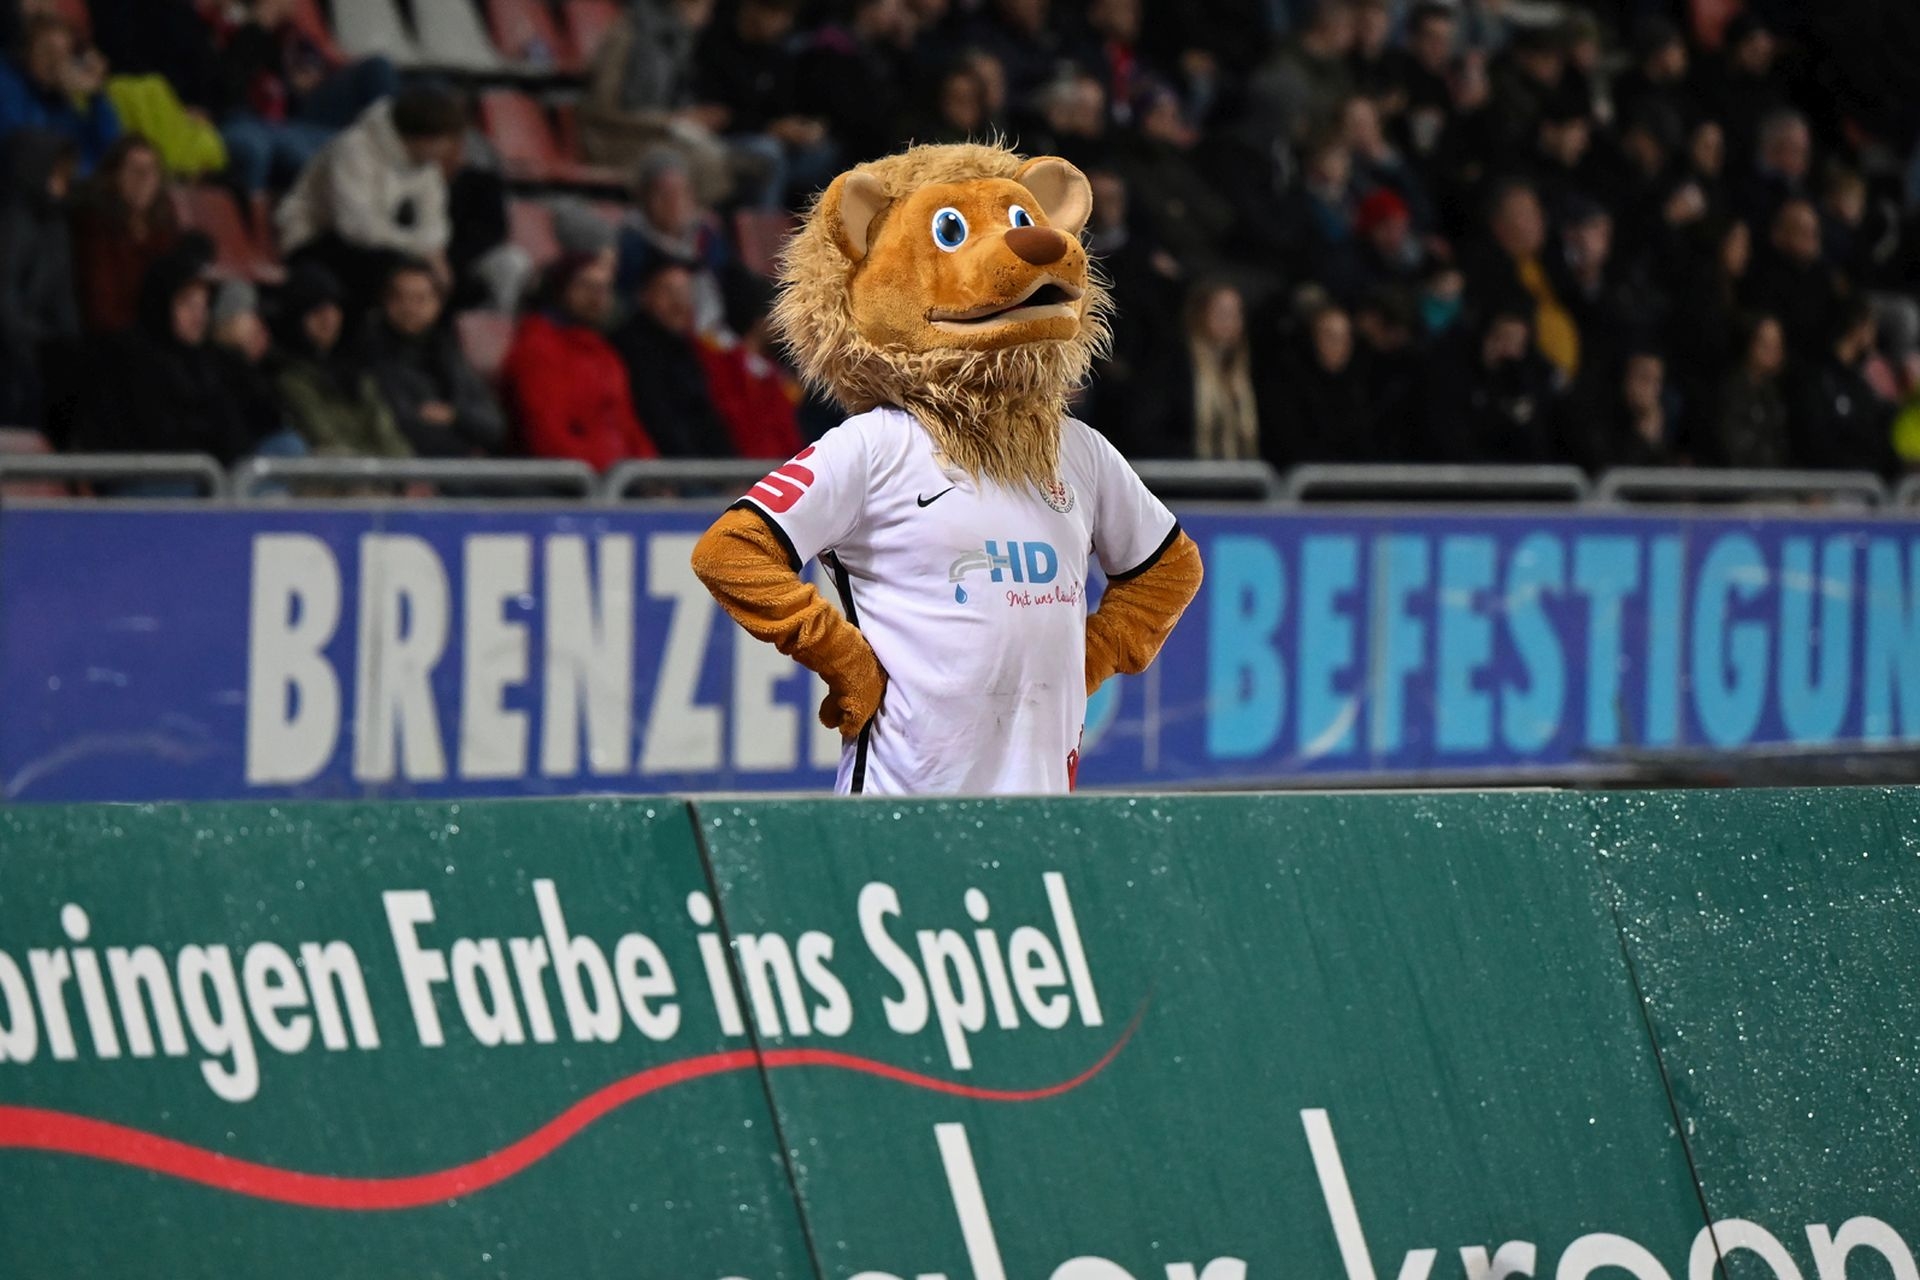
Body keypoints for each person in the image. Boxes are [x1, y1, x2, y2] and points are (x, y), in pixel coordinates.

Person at [75, 247, 276, 462]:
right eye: (187, 303)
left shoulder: (211, 360)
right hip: (154, 473)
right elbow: (157, 437)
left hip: (211, 472)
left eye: (203, 304)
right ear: (162, 302)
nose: (198, 315)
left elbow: (254, 422)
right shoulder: (129, 358)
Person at [276, 85, 465, 314]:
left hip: (382, 243)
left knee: (438, 277)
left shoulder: (427, 166)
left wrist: (435, 255)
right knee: (390, 270)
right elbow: (356, 228)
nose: (448, 150)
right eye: (444, 140)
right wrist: (419, 248)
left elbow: (433, 221)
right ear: (423, 138)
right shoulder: (354, 149)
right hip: (313, 238)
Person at [210, 0, 399, 192]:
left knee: (377, 69)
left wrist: (305, 73)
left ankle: (392, 164)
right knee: (320, 154)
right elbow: (224, 86)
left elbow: (301, 62)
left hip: (293, 107)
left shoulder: (285, 15)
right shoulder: (213, 16)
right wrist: (259, 24)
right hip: (246, 117)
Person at [501, 249, 659, 469]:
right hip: (574, 481)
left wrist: (651, 471)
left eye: (604, 288)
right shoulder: (537, 349)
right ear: (561, 289)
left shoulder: (605, 353)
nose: (597, 296)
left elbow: (627, 424)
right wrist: (606, 473)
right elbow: (547, 437)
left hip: (620, 478)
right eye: (586, 285)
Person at [691, 0, 834, 207]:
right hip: (726, 138)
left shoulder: (776, 52)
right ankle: (763, 224)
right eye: (776, 14)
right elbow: (717, 115)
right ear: (752, 8)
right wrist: (771, 128)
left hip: (770, 136)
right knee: (769, 153)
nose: (783, 23)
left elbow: (782, 106)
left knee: (824, 153)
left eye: (786, 16)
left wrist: (802, 127)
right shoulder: (716, 45)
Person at [361, 258, 507, 458]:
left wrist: (454, 415)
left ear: (438, 303)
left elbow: (494, 424)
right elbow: (399, 423)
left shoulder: (448, 351)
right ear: (384, 301)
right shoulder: (370, 356)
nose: (409, 307)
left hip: (460, 463)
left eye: (420, 299)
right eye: (399, 298)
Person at [271, 263, 412, 458]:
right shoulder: (289, 378)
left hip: (379, 470)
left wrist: (399, 468)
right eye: (317, 310)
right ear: (296, 316)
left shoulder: (355, 370)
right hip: (341, 472)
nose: (329, 318)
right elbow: (325, 439)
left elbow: (387, 432)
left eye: (334, 308)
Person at [612, 258, 734, 457]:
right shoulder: (632, 348)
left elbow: (706, 418)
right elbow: (656, 417)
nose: (679, 302)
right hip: (667, 467)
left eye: (685, 293)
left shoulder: (688, 349)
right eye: (667, 291)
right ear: (644, 296)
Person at [0, 128, 79, 425]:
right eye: (57, 174)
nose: (64, 182)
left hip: (40, 343)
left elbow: (63, 295)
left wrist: (69, 343)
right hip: (14, 347)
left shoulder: (56, 222)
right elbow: (5, 294)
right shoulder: (13, 222)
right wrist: (30, 342)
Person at [67, 134, 182, 334]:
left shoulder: (164, 224)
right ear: (114, 176)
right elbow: (101, 309)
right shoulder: (97, 225)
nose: (144, 178)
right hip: (114, 335)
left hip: (158, 333)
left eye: (152, 170)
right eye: (135, 170)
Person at [615, 147, 737, 334]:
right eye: (664, 194)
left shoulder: (705, 235)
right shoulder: (631, 243)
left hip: (712, 331)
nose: (674, 203)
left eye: (682, 193)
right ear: (644, 198)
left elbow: (730, 279)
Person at [0, 15, 120, 173]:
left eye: (63, 54)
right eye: (48, 52)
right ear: (27, 52)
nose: (56, 63)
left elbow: (113, 154)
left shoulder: (64, 106)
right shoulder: (9, 84)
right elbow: (21, 145)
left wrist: (96, 95)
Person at [1791, 298, 1897, 475]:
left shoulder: (1857, 380)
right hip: (1834, 481)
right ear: (1857, 328)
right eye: (1871, 326)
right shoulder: (1818, 379)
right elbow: (1818, 443)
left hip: (1867, 480)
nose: (1874, 335)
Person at [1265, 300, 1375, 466]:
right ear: (1313, 338)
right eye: (1331, 336)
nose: (1339, 346)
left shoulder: (1358, 387)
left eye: (1345, 337)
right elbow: (1291, 445)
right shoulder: (1287, 383)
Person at [1713, 312, 1791, 469]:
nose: (1773, 351)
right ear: (1749, 343)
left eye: (1777, 344)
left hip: (1775, 477)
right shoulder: (1731, 391)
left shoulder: (1774, 392)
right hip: (1741, 478)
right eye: (1765, 343)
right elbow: (1733, 448)